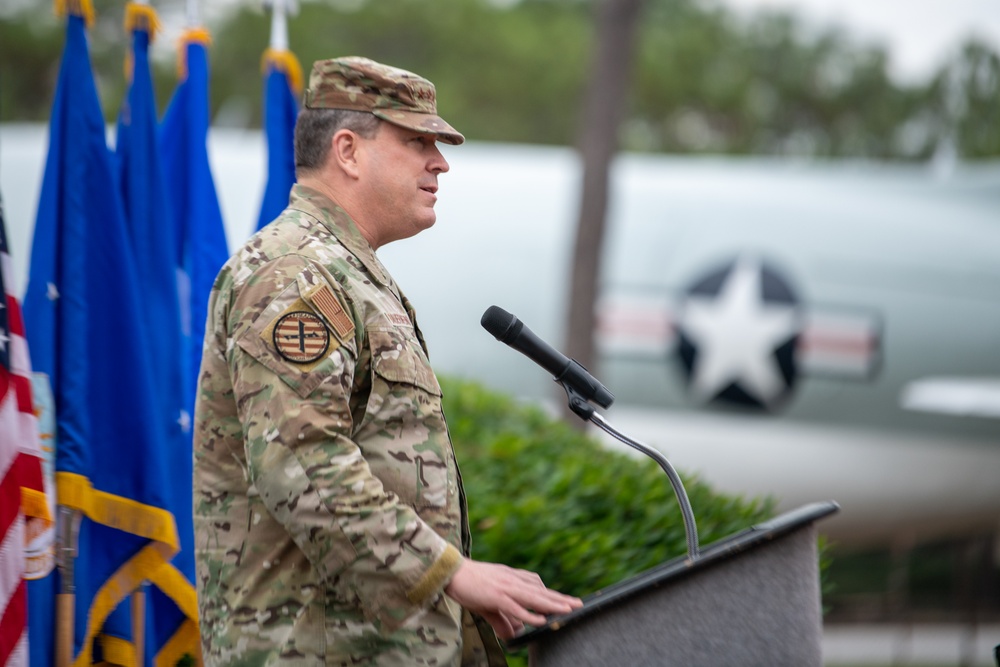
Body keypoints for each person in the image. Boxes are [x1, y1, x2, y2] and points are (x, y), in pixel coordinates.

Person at [193, 56, 582, 666]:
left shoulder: (347, 272)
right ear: (348, 151)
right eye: (417, 141)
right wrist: (452, 574)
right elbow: (303, 463)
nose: (441, 161)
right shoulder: (294, 272)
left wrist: (462, 602)